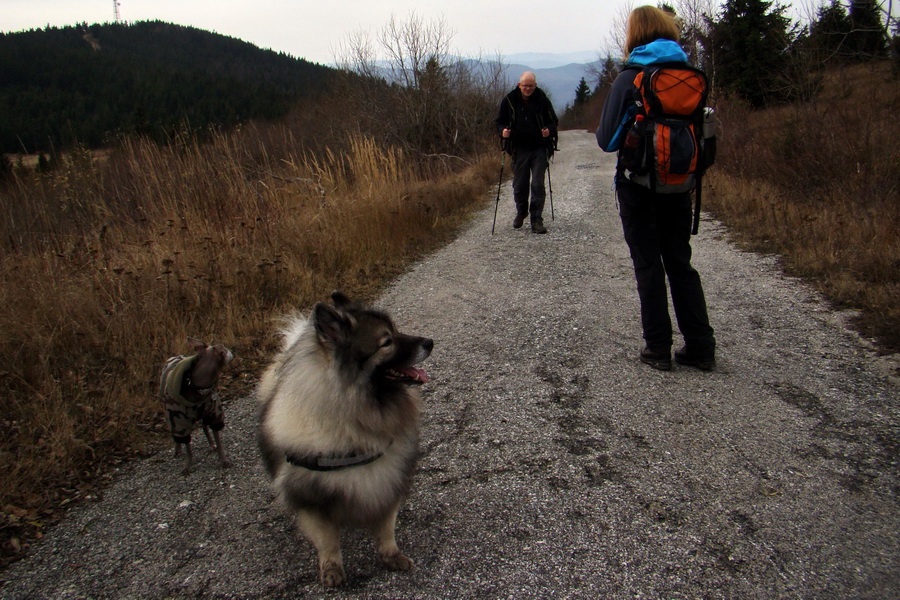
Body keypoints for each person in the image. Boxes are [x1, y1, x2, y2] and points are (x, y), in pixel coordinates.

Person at [596, 5, 716, 371]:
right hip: (680, 185)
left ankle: (658, 349)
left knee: (649, 265)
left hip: (639, 185)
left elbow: (606, 140)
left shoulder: (630, 77)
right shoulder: (689, 75)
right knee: (681, 263)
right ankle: (700, 347)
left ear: (634, 34)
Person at [495, 71, 558, 234]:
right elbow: (499, 122)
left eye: (530, 86)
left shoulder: (542, 100)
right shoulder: (509, 100)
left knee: (537, 184)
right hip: (518, 149)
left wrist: (548, 130)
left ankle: (536, 219)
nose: (528, 89)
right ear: (519, 85)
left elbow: (553, 121)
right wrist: (503, 131)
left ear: (535, 85)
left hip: (539, 148)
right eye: (525, 86)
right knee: (519, 185)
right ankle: (521, 211)